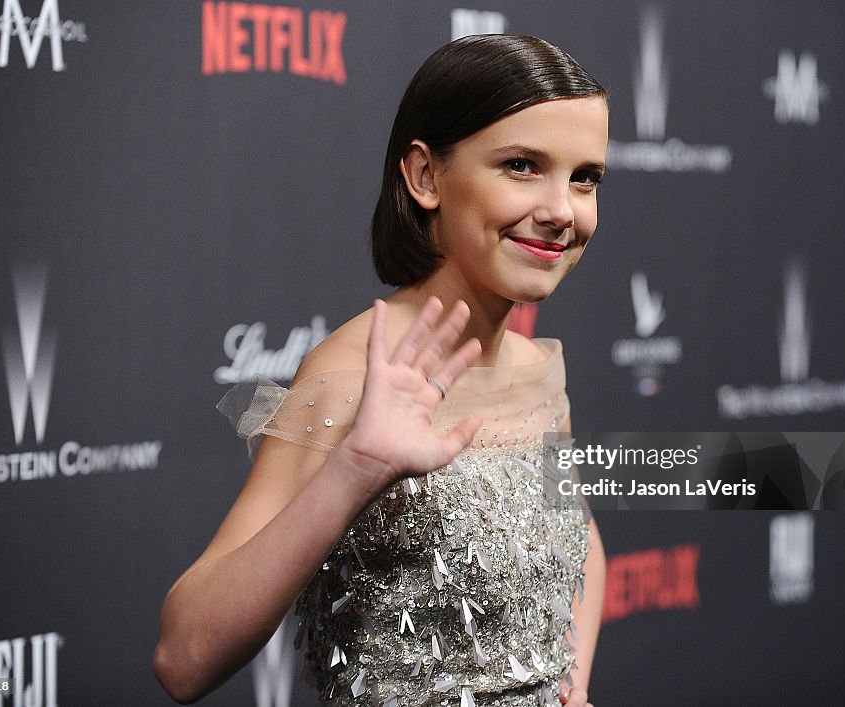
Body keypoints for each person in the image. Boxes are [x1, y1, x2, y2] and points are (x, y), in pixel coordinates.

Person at [154, 34, 608, 707]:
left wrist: (572, 686)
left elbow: (580, 538)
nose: (562, 210)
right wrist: (356, 468)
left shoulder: (537, 367)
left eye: (584, 177)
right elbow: (183, 657)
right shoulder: (348, 375)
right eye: (520, 165)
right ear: (425, 177)